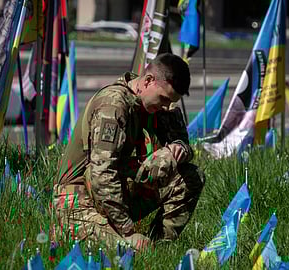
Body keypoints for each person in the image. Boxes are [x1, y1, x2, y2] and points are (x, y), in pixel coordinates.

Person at [53, 53, 205, 251]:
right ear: (148, 81)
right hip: (77, 199)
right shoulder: (113, 106)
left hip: (118, 190)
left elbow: (184, 144)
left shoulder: (153, 101)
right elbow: (102, 175)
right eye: (164, 99)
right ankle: (71, 228)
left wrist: (176, 149)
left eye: (171, 102)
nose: (166, 106)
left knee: (191, 177)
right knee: (127, 251)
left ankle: (160, 246)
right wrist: (128, 231)